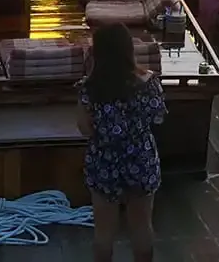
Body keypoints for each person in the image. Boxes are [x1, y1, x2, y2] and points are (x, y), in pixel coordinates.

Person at [76, 23, 166, 262]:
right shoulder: (149, 83)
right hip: (141, 160)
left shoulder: (90, 88)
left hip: (104, 161)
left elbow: (85, 128)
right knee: (142, 226)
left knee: (104, 232)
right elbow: (157, 118)